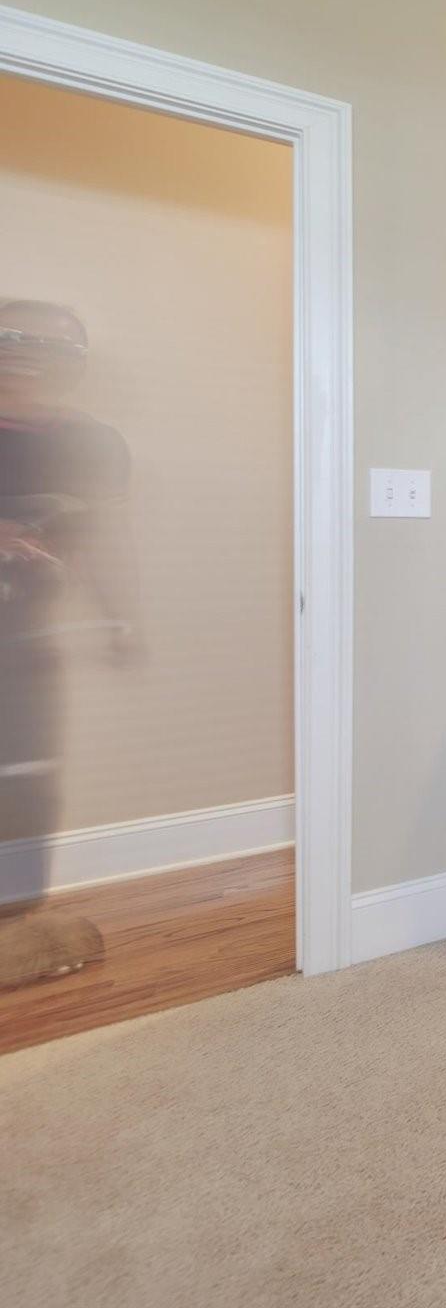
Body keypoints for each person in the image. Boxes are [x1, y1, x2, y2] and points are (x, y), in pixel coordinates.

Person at [0, 299, 138, 990]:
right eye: (14, 347)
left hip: (26, 639)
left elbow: (96, 543)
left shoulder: (88, 444)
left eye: (48, 353)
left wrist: (117, 619)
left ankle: (16, 923)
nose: (26, 365)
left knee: (26, 778)